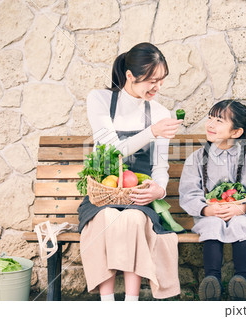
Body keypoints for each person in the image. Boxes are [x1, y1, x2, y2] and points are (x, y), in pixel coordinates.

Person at [78, 42, 183, 301]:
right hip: (105, 193)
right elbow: (111, 149)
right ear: (129, 76)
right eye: (151, 80)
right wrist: (152, 131)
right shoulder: (99, 99)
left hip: (139, 195)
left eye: (161, 80)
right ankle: (108, 303)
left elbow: (160, 167)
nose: (157, 88)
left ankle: (131, 303)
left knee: (134, 220)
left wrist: (159, 189)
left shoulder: (159, 112)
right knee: (107, 219)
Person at [178, 100, 246, 301]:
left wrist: (242, 208)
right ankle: (211, 281)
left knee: (240, 225)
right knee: (212, 225)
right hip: (210, 213)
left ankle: (242, 281)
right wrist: (205, 210)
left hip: (241, 214)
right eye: (210, 118)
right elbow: (188, 193)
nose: (210, 124)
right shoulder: (196, 158)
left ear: (236, 132)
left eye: (219, 120)